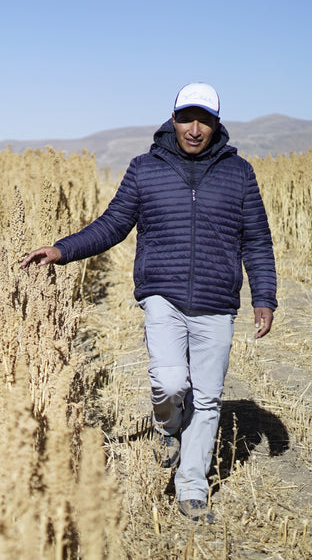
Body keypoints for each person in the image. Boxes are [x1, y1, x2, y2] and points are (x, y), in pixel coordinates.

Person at [21, 83, 277, 524]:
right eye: (186, 118)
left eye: (204, 120)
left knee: (210, 399)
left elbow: (256, 239)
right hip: (163, 294)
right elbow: (114, 223)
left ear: (217, 124)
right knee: (171, 381)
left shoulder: (240, 174)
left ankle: (192, 488)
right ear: (173, 119)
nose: (194, 129)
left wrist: (264, 296)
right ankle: (166, 426)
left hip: (217, 302)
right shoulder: (145, 168)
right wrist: (63, 249)